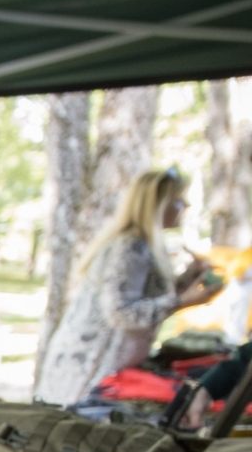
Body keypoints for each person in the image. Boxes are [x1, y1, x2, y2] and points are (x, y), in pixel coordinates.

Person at [35, 169, 222, 407]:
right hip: (90, 368)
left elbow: (148, 295)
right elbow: (122, 312)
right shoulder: (129, 246)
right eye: (178, 199)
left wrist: (188, 278)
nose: (185, 205)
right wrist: (183, 302)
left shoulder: (145, 245)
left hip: (106, 366)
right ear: (157, 204)